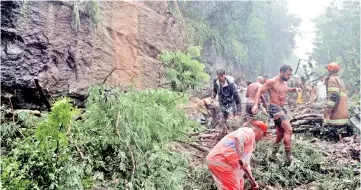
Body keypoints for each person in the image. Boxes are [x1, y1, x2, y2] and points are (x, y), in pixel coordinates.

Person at [251, 65, 301, 163]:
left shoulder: (285, 82)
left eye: (290, 75)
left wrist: (294, 89)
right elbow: (259, 91)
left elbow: (285, 90)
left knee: (280, 134)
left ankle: (272, 155)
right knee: (289, 129)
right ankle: (289, 157)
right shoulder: (272, 81)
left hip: (282, 108)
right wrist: (256, 105)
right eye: (287, 74)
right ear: (281, 72)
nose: (289, 77)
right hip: (274, 108)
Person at [206, 120, 268, 190]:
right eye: (264, 135)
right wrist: (241, 158)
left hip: (225, 163)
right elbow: (238, 138)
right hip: (220, 160)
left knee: (240, 184)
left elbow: (246, 165)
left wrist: (253, 182)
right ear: (261, 131)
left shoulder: (250, 142)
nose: (262, 138)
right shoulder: (249, 132)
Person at [324, 62, 349, 126]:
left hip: (336, 116)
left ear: (330, 71)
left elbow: (334, 96)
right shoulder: (340, 80)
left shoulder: (332, 79)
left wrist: (328, 109)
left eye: (328, 70)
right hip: (343, 114)